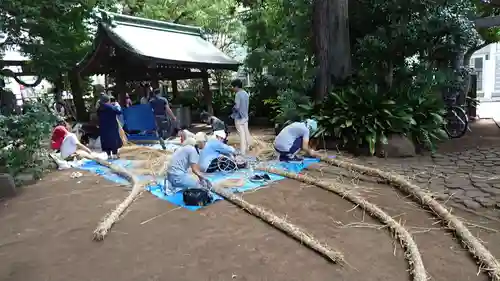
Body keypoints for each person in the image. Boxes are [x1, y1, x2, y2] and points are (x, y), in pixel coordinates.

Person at [230, 79, 253, 155]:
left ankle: (243, 152)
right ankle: (249, 147)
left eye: (233, 87)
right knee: (246, 132)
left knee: (241, 134)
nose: (232, 88)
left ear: (236, 86)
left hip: (239, 118)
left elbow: (237, 107)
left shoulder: (238, 94)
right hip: (245, 116)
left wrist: (232, 110)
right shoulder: (246, 93)